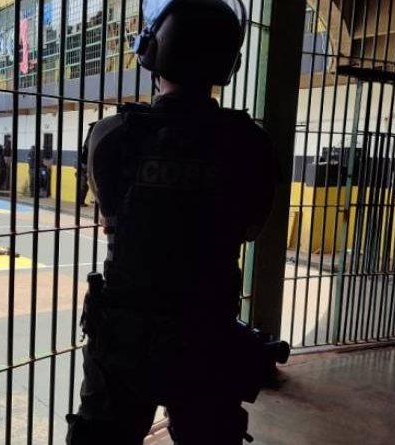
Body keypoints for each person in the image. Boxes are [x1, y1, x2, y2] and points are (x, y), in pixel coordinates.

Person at [65, 0, 277, 443]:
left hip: (125, 335)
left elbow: (110, 216)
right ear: (229, 65)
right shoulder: (252, 144)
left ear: (151, 52)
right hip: (207, 329)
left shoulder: (110, 135)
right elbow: (251, 227)